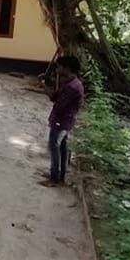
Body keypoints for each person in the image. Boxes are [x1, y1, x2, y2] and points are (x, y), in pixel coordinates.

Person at [43, 55, 85, 187]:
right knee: (62, 146)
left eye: (60, 67)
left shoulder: (72, 87)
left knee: (54, 145)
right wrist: (47, 85)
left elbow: (59, 104)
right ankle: (60, 175)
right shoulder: (70, 83)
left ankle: (55, 177)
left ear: (67, 68)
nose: (57, 69)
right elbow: (54, 97)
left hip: (61, 121)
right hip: (65, 121)